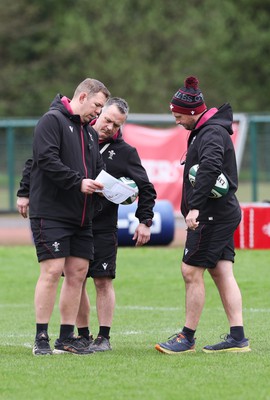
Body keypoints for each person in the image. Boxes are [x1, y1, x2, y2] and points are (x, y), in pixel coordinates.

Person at [155, 76, 250, 354]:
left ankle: (187, 338)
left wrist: (195, 206)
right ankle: (237, 337)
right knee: (221, 271)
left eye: (178, 115)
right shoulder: (208, 129)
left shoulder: (210, 132)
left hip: (211, 215)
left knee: (190, 270)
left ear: (193, 112)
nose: (176, 120)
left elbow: (208, 167)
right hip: (223, 212)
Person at [17, 78, 110, 355]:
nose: (98, 112)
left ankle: (66, 337)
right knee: (52, 271)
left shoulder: (91, 134)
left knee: (78, 274)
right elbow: (45, 159)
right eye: (97, 105)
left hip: (82, 216)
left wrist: (113, 189)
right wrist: (79, 182)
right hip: (52, 212)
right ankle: (41, 337)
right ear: (82, 97)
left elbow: (98, 169)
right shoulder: (51, 121)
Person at [76, 97, 157, 351]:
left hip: (103, 225)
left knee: (102, 280)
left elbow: (146, 188)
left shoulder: (125, 152)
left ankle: (104, 337)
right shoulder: (75, 138)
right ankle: (81, 334)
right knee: (75, 280)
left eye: (116, 124)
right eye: (108, 120)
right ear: (98, 114)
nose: (110, 127)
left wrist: (144, 221)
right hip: (73, 222)